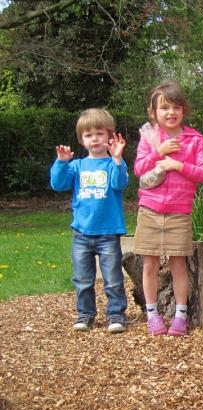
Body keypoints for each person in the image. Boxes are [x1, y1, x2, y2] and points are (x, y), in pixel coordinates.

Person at [133, 80, 203, 336]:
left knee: (179, 264)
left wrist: (179, 166)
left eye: (176, 107)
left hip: (180, 211)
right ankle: (153, 314)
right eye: (164, 107)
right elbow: (139, 169)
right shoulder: (149, 138)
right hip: (150, 210)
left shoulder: (195, 139)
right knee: (149, 265)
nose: (171, 112)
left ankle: (180, 315)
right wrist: (158, 152)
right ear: (153, 112)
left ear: (184, 110)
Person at [50, 108, 129, 333]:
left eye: (99, 133)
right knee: (82, 279)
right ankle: (85, 314)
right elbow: (58, 184)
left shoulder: (115, 163)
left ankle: (116, 314)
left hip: (108, 233)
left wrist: (117, 160)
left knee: (113, 279)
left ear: (110, 136)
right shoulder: (77, 166)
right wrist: (61, 162)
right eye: (88, 135)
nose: (94, 139)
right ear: (81, 140)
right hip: (81, 233)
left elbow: (119, 184)